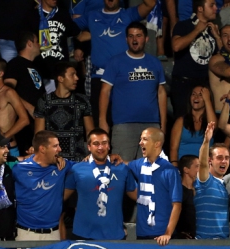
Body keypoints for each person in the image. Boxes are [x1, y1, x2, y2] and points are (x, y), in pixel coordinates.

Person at [75, 0, 156, 124]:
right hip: (99, 77)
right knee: (100, 122)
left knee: (124, 121)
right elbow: (68, 27)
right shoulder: (92, 16)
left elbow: (150, 4)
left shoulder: (128, 14)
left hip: (123, 78)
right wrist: (79, 44)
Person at [100, 22, 167, 161]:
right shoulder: (115, 62)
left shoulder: (155, 63)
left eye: (138, 36)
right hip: (123, 125)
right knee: (121, 167)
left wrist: (163, 124)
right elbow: (105, 91)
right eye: (131, 36)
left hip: (151, 124)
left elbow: (161, 93)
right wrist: (102, 120)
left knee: (149, 168)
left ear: (146, 39)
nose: (134, 39)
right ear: (126, 39)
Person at [64, 128, 138, 240]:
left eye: (104, 143)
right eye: (96, 144)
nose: (100, 147)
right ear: (89, 147)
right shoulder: (77, 169)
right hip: (83, 235)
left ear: (109, 146)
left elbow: (139, 196)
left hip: (114, 235)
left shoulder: (122, 168)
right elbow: (60, 198)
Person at [13, 130, 74, 241]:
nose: (60, 149)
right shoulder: (19, 168)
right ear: (42, 149)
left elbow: (85, 166)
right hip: (26, 234)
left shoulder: (62, 166)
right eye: (55, 146)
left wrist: (100, 158)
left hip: (53, 233)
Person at [128, 127, 181, 245]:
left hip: (163, 236)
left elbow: (177, 205)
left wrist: (168, 233)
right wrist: (114, 158)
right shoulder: (139, 164)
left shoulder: (170, 171)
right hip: (142, 234)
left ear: (157, 144)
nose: (140, 143)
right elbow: (122, 165)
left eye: (145, 139)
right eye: (141, 139)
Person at [170, 0, 220, 119]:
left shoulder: (213, 29)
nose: (216, 8)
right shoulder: (183, 25)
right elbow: (176, 46)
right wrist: (197, 30)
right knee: (183, 122)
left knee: (205, 122)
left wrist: (217, 36)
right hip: (184, 85)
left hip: (205, 84)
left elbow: (222, 57)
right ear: (200, 9)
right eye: (211, 5)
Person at [34, 61, 93, 161]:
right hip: (53, 159)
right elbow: (39, 135)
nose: (77, 78)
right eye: (72, 75)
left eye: (76, 74)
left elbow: (90, 132)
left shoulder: (82, 101)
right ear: (60, 78)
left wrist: (91, 155)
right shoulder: (44, 101)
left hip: (78, 160)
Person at [4, 32, 47, 156]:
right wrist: (28, 107)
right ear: (29, 43)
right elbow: (8, 90)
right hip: (24, 122)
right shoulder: (15, 64)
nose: (40, 45)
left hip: (37, 119)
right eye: (37, 41)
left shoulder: (35, 65)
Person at [0, 58, 30, 155]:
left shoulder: (9, 93)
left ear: (0, 74)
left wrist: (2, 138)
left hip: (8, 146)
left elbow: (24, 119)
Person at [194, 122, 230, 239]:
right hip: (203, 242)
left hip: (224, 242)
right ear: (210, 160)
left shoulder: (228, 184)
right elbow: (203, 164)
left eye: (227, 158)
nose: (224, 161)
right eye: (219, 158)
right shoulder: (205, 180)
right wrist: (206, 141)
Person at [24, 0, 82, 69]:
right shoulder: (32, 16)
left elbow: (77, 33)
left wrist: (78, 48)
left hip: (61, 67)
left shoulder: (63, 14)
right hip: (40, 66)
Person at [170, 86, 216, 166]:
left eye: (201, 95)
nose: (196, 97)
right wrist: (175, 167)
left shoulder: (209, 120)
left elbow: (213, 125)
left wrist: (207, 100)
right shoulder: (181, 121)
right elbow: (173, 148)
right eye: (193, 94)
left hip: (204, 167)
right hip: (184, 167)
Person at [176, 154, 198, 239]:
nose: (200, 169)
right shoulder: (178, 192)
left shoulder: (200, 190)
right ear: (186, 169)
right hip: (183, 239)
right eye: (197, 166)